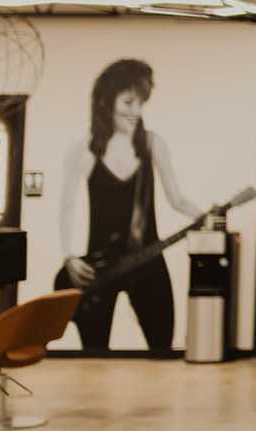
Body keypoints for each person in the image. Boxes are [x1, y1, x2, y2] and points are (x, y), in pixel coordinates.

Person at [59, 59, 205, 353]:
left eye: (141, 103)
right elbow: (67, 207)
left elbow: (176, 199)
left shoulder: (152, 144)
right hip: (98, 266)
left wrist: (204, 215)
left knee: (162, 342)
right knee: (94, 352)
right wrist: (70, 257)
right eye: (128, 102)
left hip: (148, 258)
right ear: (105, 101)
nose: (136, 111)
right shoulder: (84, 150)